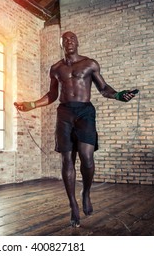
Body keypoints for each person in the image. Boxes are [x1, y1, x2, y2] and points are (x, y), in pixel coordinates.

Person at [14, 31, 137, 227]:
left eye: (72, 39)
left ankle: (86, 192)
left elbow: (104, 88)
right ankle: (73, 204)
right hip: (64, 112)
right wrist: (31, 105)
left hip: (85, 112)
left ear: (77, 42)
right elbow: (52, 94)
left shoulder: (89, 64)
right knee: (66, 159)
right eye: (65, 39)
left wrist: (119, 95)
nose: (69, 41)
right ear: (61, 44)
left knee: (87, 157)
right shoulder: (56, 68)